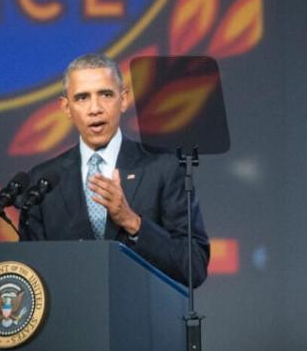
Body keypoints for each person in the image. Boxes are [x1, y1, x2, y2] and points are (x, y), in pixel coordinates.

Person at [19, 53, 210, 287]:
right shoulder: (44, 181)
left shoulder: (163, 167)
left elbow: (195, 266)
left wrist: (131, 221)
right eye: (82, 98)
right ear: (66, 108)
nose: (95, 108)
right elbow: (30, 276)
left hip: (141, 318)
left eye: (105, 94)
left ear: (124, 99)